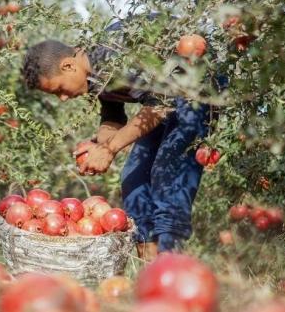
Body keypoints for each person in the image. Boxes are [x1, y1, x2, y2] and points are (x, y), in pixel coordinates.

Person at [21, 23, 215, 260]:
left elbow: (160, 105)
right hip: (163, 102)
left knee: (167, 179)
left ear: (68, 65)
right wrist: (99, 144)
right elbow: (113, 116)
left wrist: (109, 149)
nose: (62, 98)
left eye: (59, 89)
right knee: (133, 180)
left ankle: (171, 271)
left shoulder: (112, 56)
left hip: (197, 87)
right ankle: (149, 268)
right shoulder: (92, 74)